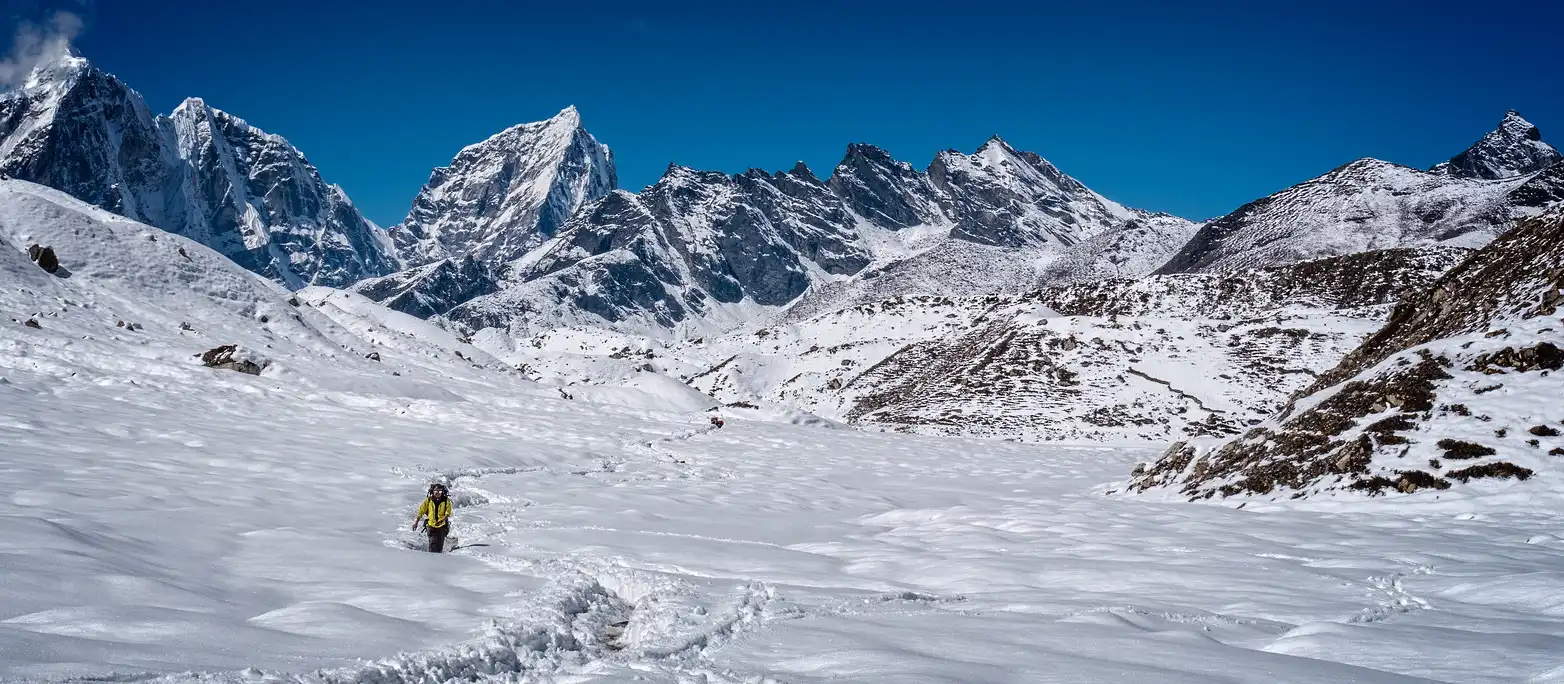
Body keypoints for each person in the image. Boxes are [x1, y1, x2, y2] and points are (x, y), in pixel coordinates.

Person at [411, 483, 452, 552]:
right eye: (436, 491)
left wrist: (442, 520)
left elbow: (448, 512)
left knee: (439, 546)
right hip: (431, 526)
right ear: (432, 491)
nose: (438, 492)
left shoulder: (446, 500)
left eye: (440, 491)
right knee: (432, 544)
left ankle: (437, 561)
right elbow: (421, 511)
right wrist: (416, 522)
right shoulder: (428, 500)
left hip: (442, 526)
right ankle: (431, 560)